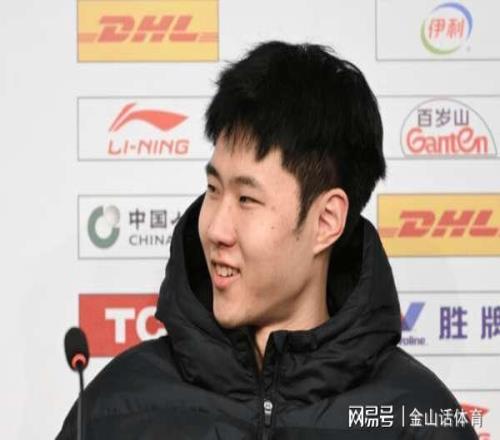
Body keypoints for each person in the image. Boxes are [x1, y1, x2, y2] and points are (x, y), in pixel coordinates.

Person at [56, 41, 478, 439]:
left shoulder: (418, 420)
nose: (216, 229)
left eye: (247, 199)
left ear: (326, 220)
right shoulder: (113, 410)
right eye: (213, 189)